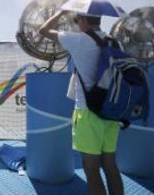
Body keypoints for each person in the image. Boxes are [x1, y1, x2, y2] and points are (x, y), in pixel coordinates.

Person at [39, 10, 124, 195]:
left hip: (88, 112)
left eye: (77, 20)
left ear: (84, 20)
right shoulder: (114, 42)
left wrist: (61, 12)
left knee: (91, 168)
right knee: (110, 165)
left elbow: (43, 30)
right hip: (112, 111)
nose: (76, 23)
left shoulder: (78, 40)